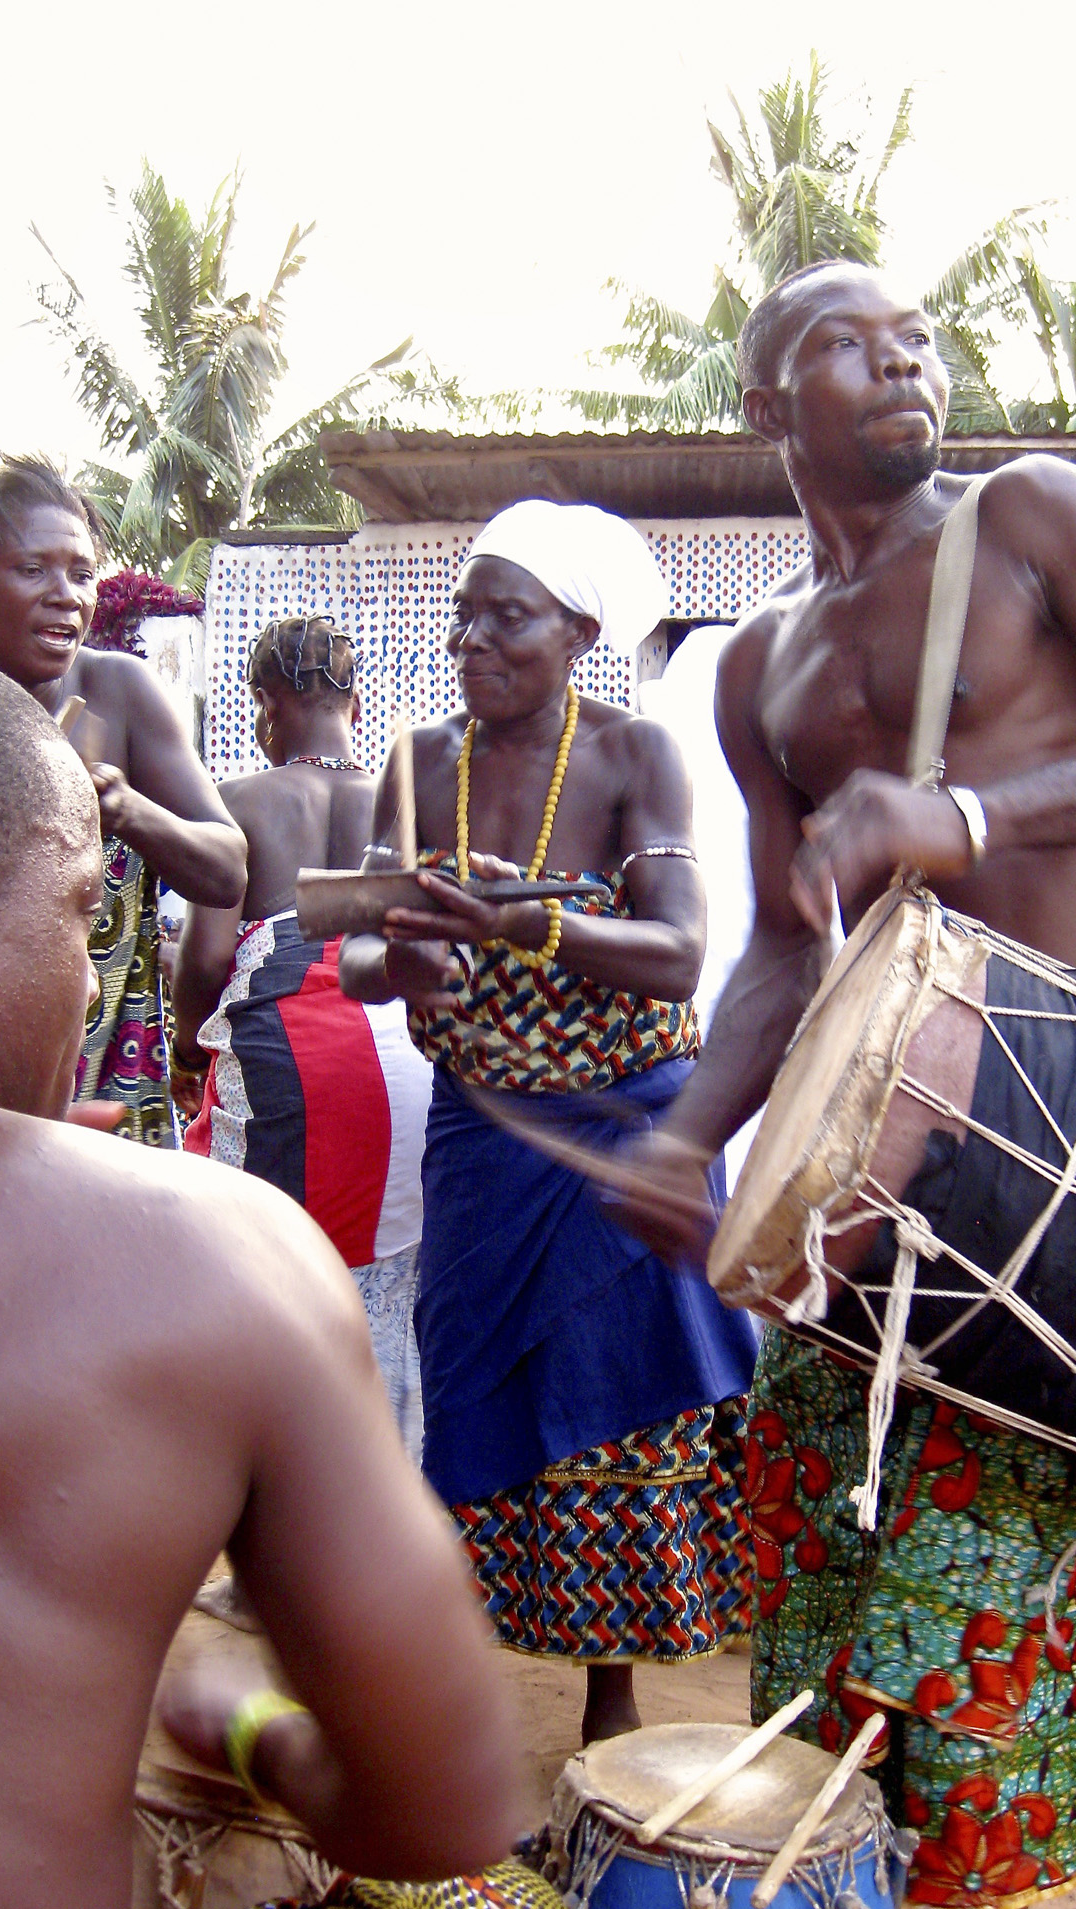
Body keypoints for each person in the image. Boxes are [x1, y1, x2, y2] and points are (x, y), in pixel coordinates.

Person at [616, 266, 1076, 1909]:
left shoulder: (1031, 519)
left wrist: (971, 809)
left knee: (999, 1557)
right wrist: (692, 1136)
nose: (902, 351)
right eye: (844, 337)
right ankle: (869, 1907)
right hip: (878, 1158)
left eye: (913, 329)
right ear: (768, 405)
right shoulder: (763, 660)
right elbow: (784, 942)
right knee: (833, 1537)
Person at [0, 632, 571, 1909]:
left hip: (300, 1073)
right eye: (73, 913)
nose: (81, 965)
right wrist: (250, 1735)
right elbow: (441, 1805)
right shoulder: (200, 1253)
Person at [339, 500, 758, 1746]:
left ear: (578, 630)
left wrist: (521, 923)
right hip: (486, 1134)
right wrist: (402, 964)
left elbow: (681, 956)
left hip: (627, 1127)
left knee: (623, 1404)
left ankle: (612, 1706)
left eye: (504, 614)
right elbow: (360, 942)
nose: (471, 635)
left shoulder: (635, 756)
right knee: (471, 1385)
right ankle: (468, 1673)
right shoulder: (421, 762)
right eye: (464, 611)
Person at [0, 456, 246, 1145]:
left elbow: (226, 869)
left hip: (113, 1089)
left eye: (81, 572)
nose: (66, 593)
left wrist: (125, 808)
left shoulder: (119, 695)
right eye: (32, 569)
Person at [174, 615, 433, 1459]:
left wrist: (186, 1054)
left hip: (288, 1053)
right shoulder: (407, 802)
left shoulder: (238, 800)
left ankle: (275, 1501)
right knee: (391, 1278)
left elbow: (209, 955)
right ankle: (389, 1495)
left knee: (262, 1276)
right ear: (353, 703)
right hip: (405, 1055)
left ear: (266, 705)